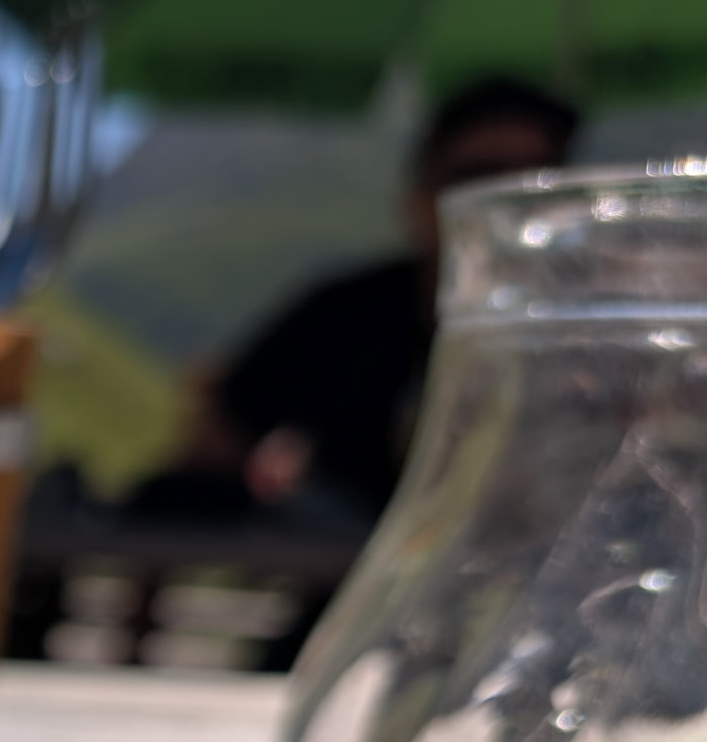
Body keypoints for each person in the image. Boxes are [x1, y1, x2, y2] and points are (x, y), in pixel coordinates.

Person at [157, 76, 580, 525]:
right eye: (479, 177)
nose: (510, 202)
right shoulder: (345, 320)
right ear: (418, 201)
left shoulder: (592, 332)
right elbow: (217, 442)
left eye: (540, 179)